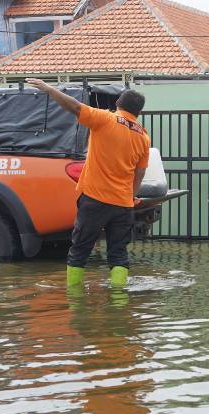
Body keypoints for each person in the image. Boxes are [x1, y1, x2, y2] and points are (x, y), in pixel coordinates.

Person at [25, 78, 150, 287]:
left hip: (95, 199)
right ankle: (118, 304)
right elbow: (141, 172)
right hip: (123, 205)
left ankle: (75, 301)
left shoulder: (105, 119)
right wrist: (130, 196)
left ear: (118, 103)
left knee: (79, 250)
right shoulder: (143, 137)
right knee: (118, 254)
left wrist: (49, 89)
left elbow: (74, 106)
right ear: (138, 112)